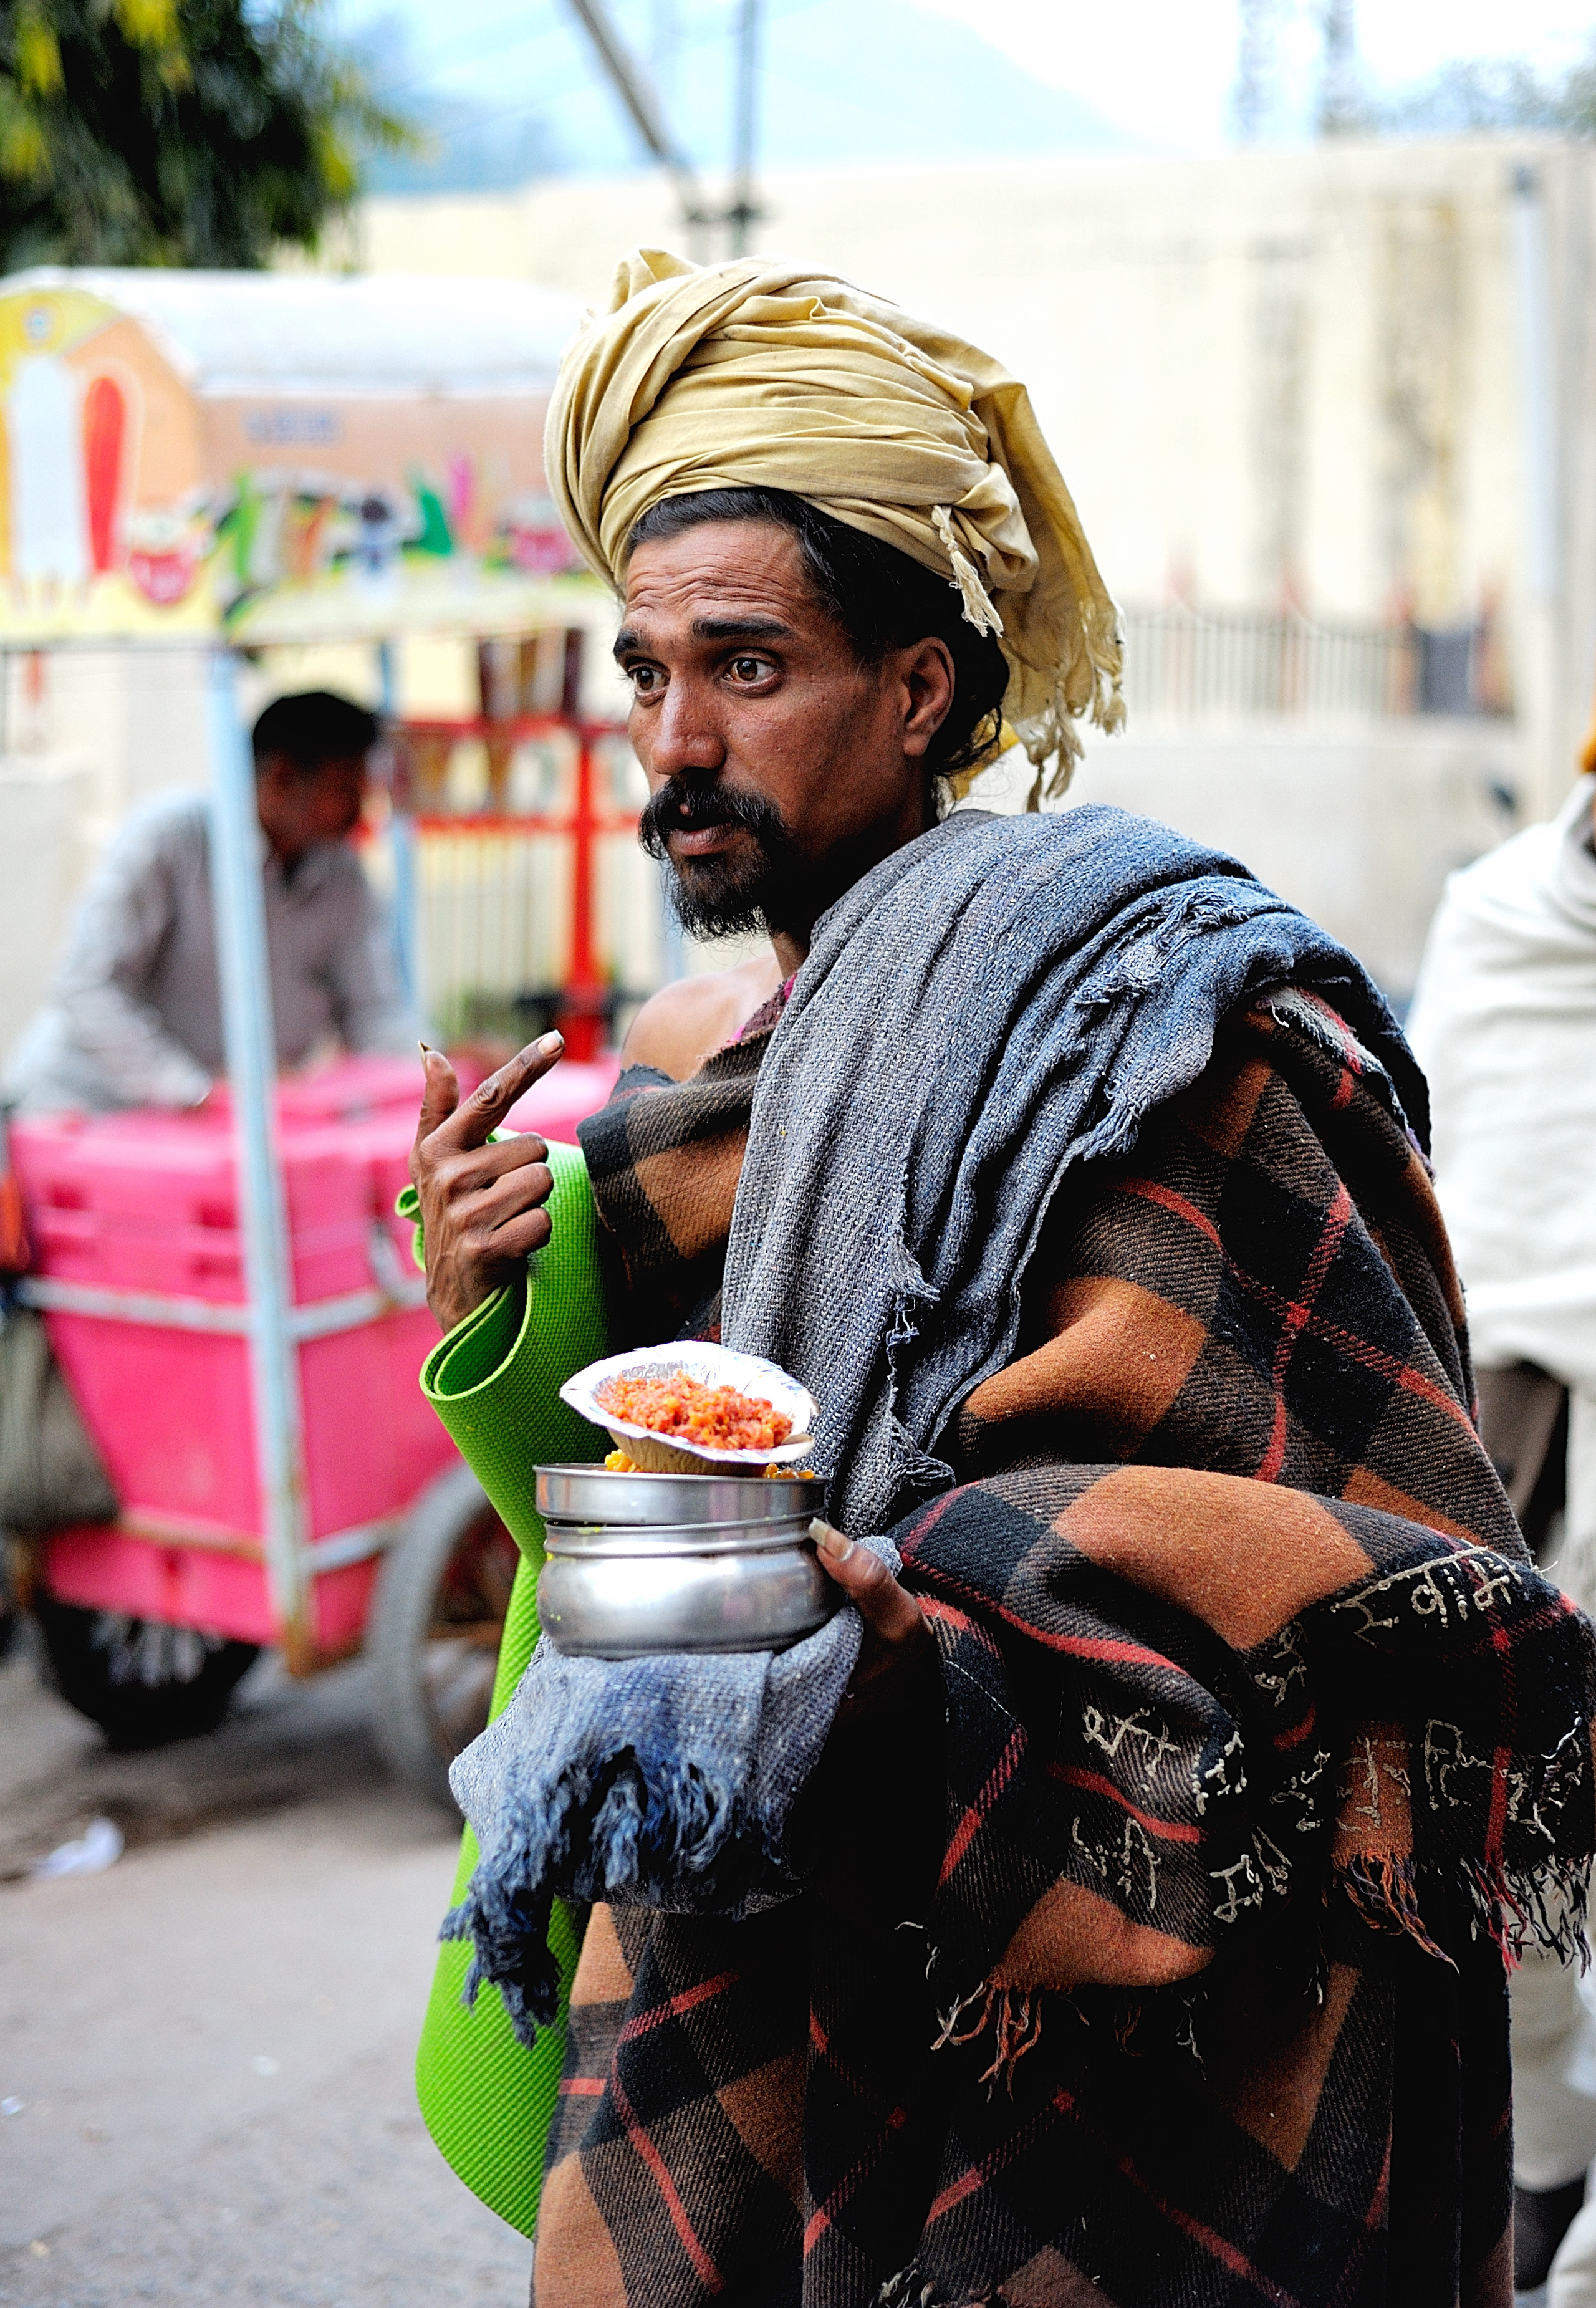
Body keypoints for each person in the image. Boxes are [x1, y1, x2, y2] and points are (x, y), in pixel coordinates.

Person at [410, 251, 1595, 2307]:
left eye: (749, 670)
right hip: (825, 1959)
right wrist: (498, 1304)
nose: (674, 741)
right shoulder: (708, 1066)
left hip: (1132, 2029)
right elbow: (608, 1540)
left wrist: (902, 1643)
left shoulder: (1157, 1031)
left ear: (924, 687)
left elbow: (1316, 1577)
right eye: (644, 673)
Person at [1408, 753, 1596, 2303]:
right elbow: (1460, 1192)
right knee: (1518, 1860)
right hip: (1513, 1449)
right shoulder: (1497, 920)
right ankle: (1542, 2160)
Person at [3, 689, 413, 1116]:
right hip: (79, 1118)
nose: (359, 813)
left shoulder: (342, 874)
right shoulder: (169, 841)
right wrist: (192, 1091)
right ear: (283, 778)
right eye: (345, 791)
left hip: (213, 1142)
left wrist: (432, 1066)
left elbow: (374, 1014)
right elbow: (86, 984)